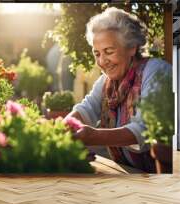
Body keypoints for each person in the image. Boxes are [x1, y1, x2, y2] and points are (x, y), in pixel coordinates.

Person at [65, 7, 172, 173]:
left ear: (132, 47)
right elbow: (86, 109)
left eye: (108, 51)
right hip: (126, 174)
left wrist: (94, 136)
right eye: (97, 53)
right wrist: (63, 128)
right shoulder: (105, 82)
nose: (102, 61)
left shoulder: (156, 71)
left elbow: (146, 129)